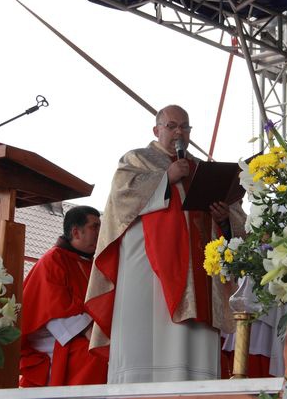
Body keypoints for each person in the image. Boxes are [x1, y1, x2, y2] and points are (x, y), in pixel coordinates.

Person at [85, 104, 245, 383]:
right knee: (148, 341)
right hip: (149, 273)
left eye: (185, 126)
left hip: (201, 274)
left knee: (193, 357)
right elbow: (121, 202)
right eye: (172, 126)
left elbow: (232, 219)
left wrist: (223, 217)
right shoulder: (137, 159)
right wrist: (166, 178)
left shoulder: (201, 170)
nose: (179, 132)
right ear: (156, 130)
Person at [19, 205, 107, 387]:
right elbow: (52, 308)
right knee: (94, 355)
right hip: (53, 334)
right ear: (76, 232)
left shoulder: (90, 263)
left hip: (81, 331)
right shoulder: (53, 259)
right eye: (94, 227)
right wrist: (88, 330)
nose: (100, 231)